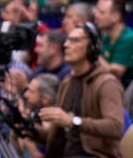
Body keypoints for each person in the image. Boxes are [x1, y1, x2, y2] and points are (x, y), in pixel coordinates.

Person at [36, 22, 125, 158]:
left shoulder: (107, 83)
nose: (66, 45)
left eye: (75, 41)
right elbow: (58, 135)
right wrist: (30, 129)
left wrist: (74, 122)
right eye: (67, 40)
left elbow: (115, 127)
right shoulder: (67, 81)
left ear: (92, 47)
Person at [92, 0, 133, 87]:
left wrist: (92, 52)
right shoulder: (106, 38)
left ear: (116, 16)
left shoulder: (129, 39)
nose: (96, 15)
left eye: (101, 12)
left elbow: (116, 74)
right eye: (96, 11)